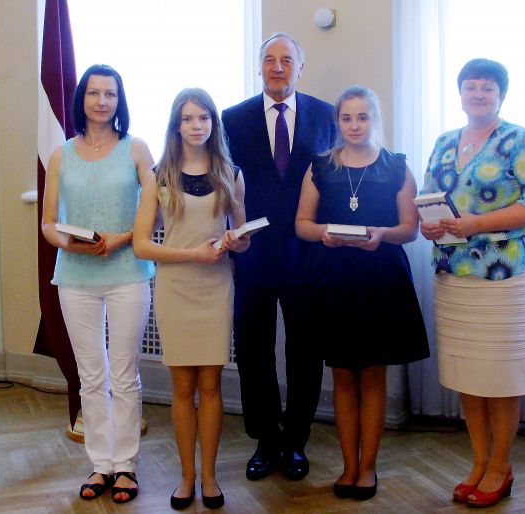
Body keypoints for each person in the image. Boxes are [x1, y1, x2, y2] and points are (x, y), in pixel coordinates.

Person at [419, 58, 525, 508]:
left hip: (504, 275)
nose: (478, 93)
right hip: (454, 275)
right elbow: (429, 201)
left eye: (487, 87)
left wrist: (475, 224)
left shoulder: (520, 139)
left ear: (501, 95)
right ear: (460, 93)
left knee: (500, 375)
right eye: (470, 86)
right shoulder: (444, 142)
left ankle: (500, 465)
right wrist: (429, 225)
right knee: (469, 374)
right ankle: (478, 462)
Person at [295, 85, 429, 500]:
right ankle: (348, 466)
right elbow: (302, 224)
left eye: (363, 117)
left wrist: (382, 234)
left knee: (372, 376)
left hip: (380, 279)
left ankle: (367, 468)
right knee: (342, 375)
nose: (354, 125)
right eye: (347, 118)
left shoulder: (396, 166)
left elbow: (410, 228)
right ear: (338, 122)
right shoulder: (321, 166)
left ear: (375, 119)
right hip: (333, 280)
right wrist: (326, 233)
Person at [221, 32, 336, 481]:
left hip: (308, 251)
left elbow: (336, 178)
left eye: (287, 59)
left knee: (306, 349)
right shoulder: (233, 119)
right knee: (254, 348)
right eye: (269, 59)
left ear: (300, 67)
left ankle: (296, 440)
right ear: (259, 67)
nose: (277, 67)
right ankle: (265, 438)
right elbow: (221, 181)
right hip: (254, 253)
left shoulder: (326, 115)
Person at [40, 64, 154, 504]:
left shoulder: (136, 149)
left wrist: (122, 238)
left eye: (110, 93)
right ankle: (101, 463)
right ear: (82, 99)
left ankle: (125, 465)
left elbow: (154, 211)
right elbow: (49, 223)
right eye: (94, 93)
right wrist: (68, 242)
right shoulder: (60, 154)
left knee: (124, 374)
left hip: (127, 273)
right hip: (75, 275)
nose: (102, 101)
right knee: (91, 376)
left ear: (119, 100)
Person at [133, 88, 249, 510]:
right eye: (188, 118)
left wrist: (236, 242)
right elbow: (142, 245)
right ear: (176, 125)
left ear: (213, 123)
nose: (196, 126)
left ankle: (210, 478)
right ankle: (186, 477)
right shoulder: (158, 176)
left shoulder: (230, 172)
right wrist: (193, 254)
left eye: (204, 118)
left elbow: (243, 237)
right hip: (176, 288)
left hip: (216, 287)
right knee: (183, 389)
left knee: (211, 386)